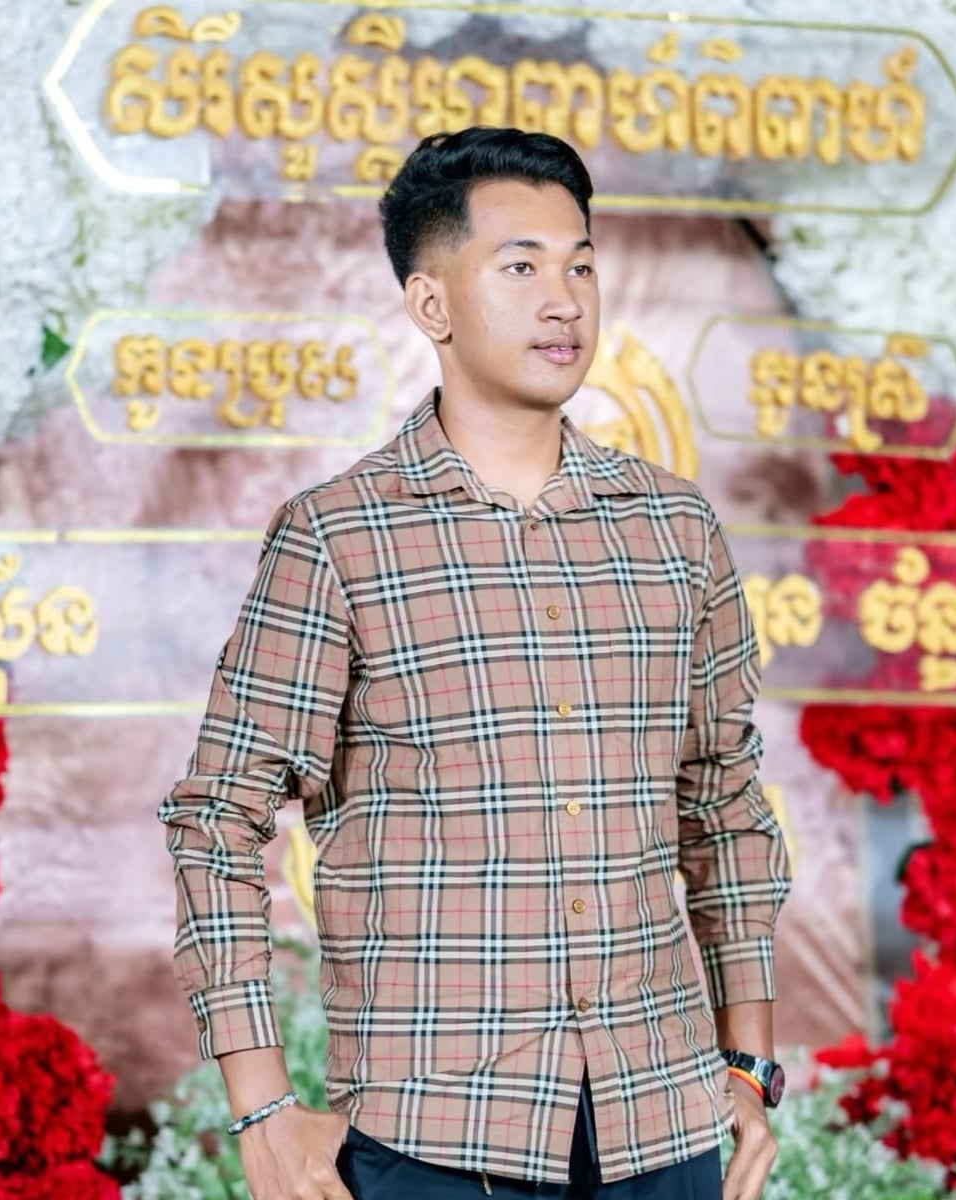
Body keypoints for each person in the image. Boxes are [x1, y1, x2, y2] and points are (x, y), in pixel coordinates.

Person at [159, 126, 792, 1200]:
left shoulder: (675, 530)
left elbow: (723, 806)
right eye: (521, 267)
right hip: (435, 1139)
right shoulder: (340, 537)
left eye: (580, 266)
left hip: (664, 1128)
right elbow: (218, 816)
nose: (564, 301)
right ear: (431, 304)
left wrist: (748, 1062)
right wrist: (262, 1110)